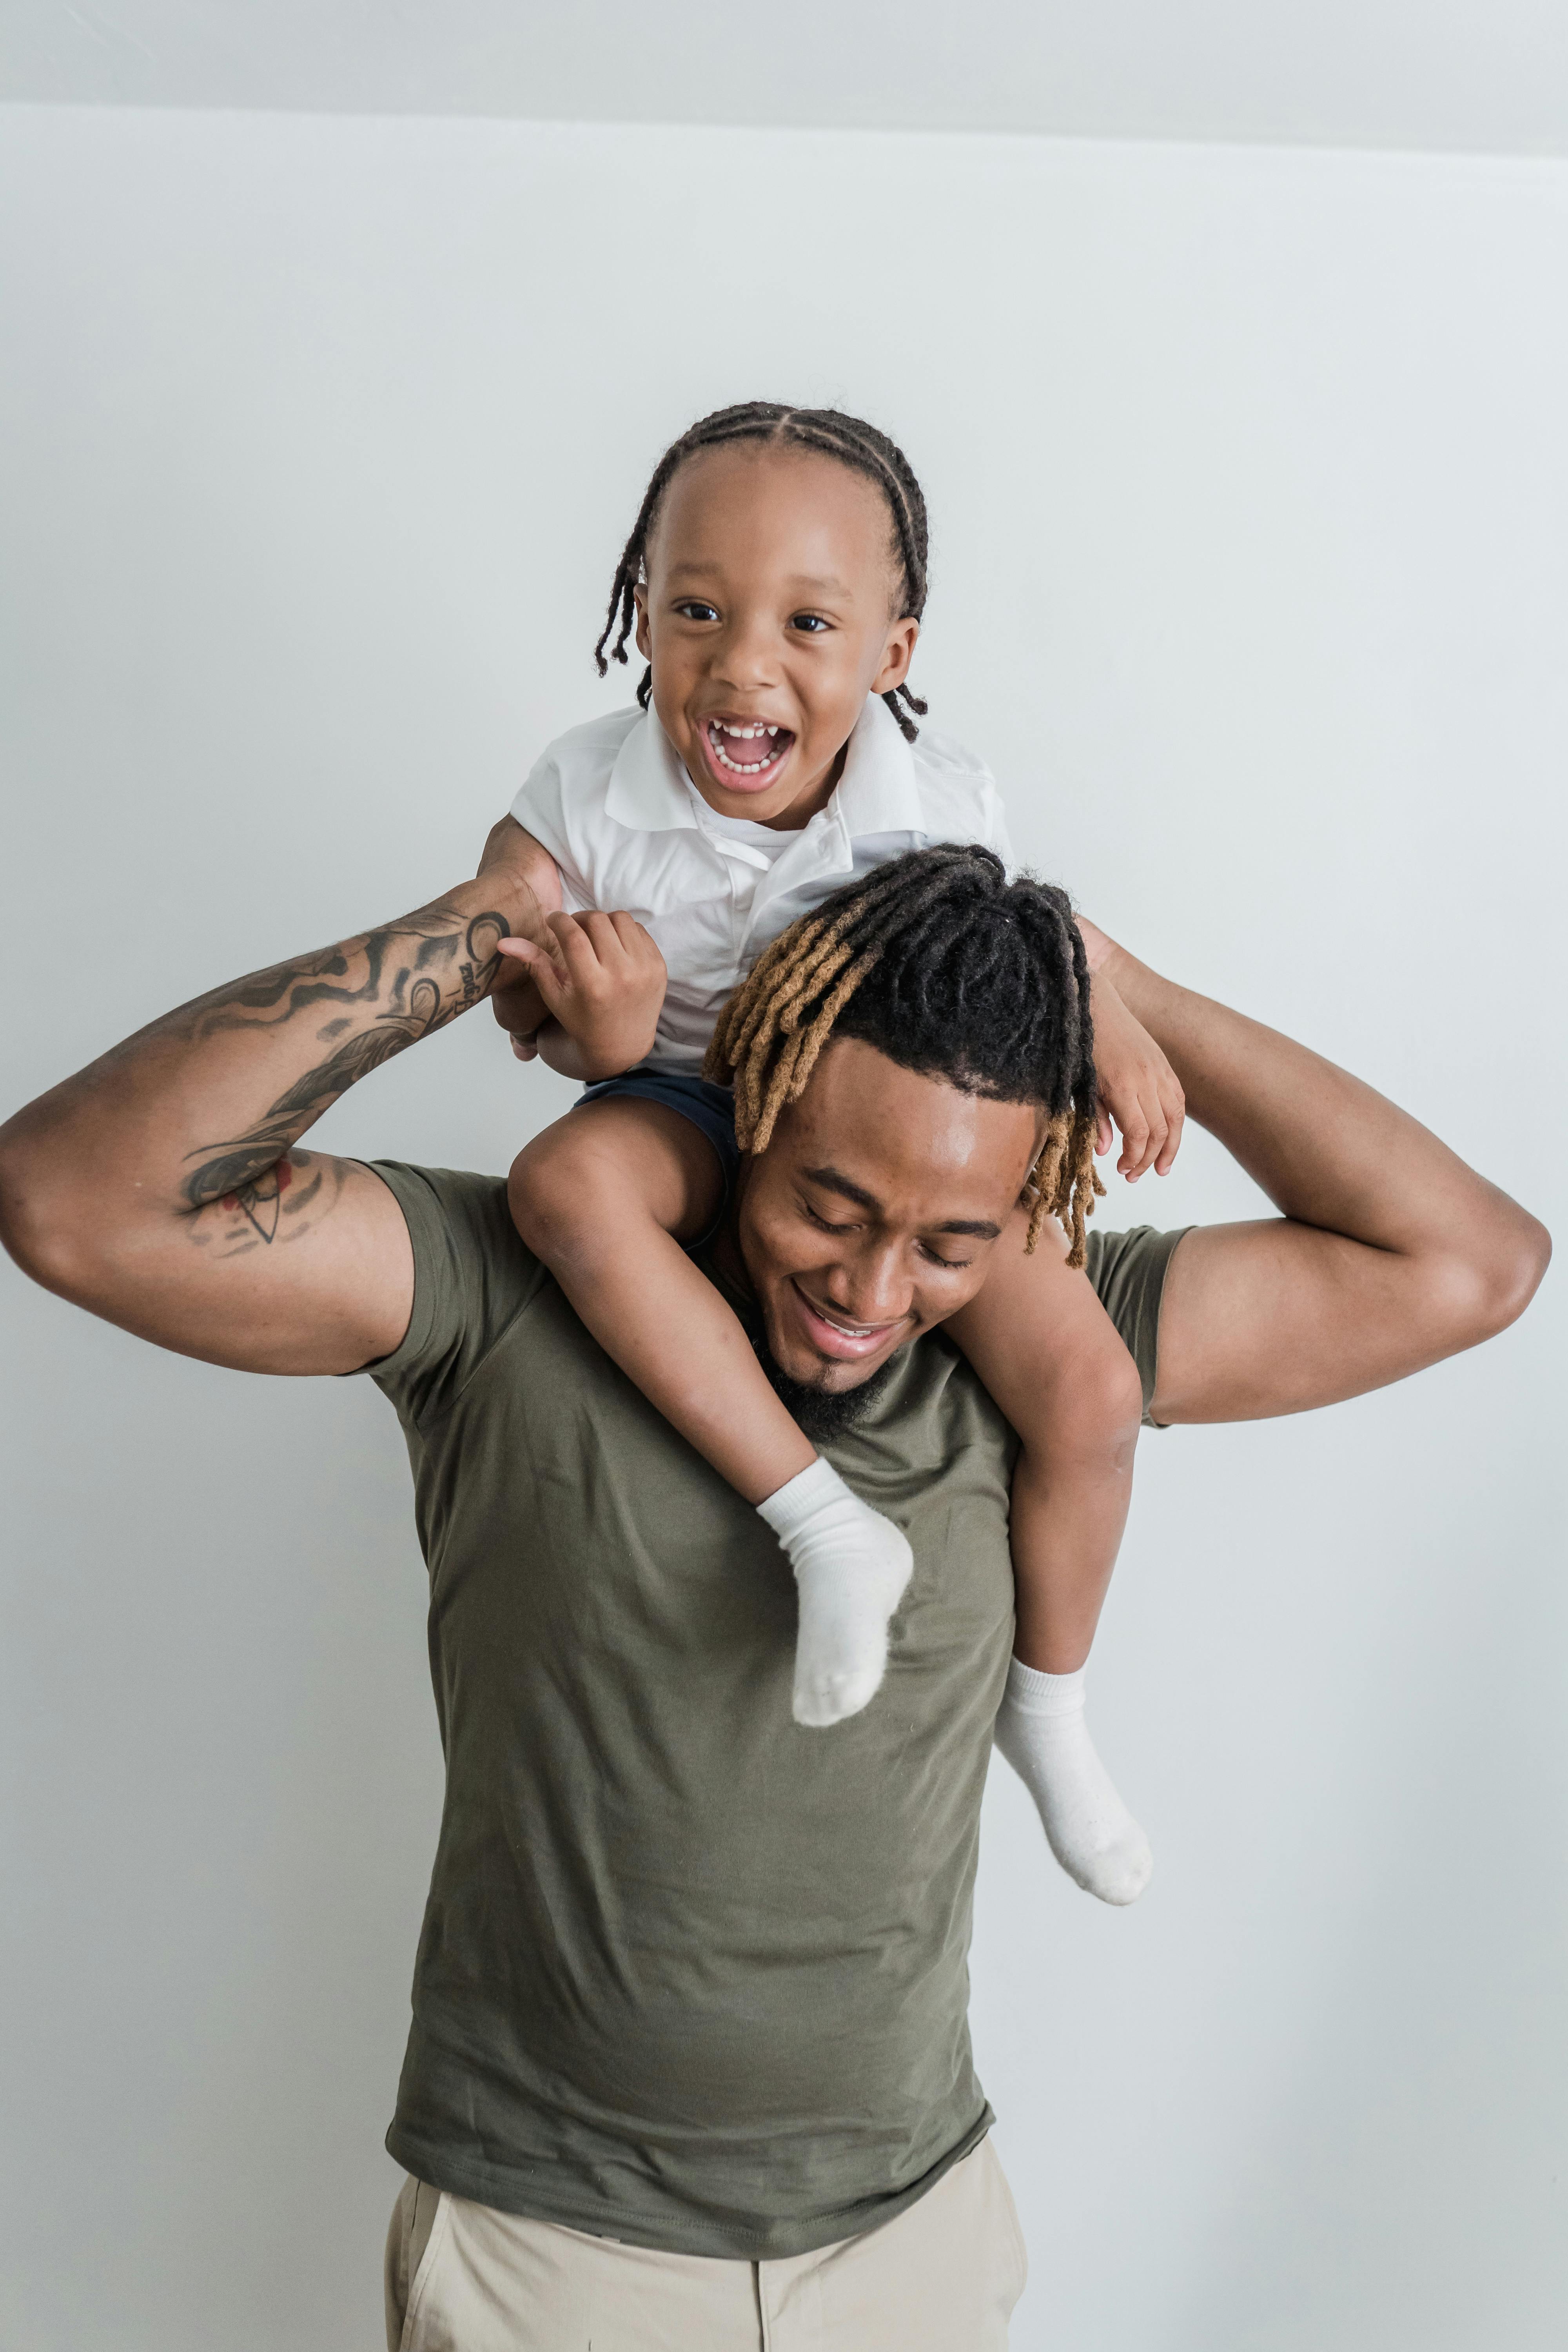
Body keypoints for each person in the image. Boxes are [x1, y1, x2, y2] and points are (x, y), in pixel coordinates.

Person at [0, 832, 1547, 2350]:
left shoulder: (1048, 1354)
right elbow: (75, 1199)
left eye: (950, 1243)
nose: (874, 1293)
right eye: (830, 1205)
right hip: (558, 2263)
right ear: (746, 1103)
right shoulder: (504, 1291)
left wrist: (1108, 981)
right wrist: (491, 928)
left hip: (911, 2254)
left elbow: (1468, 1263)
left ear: (1026, 1211)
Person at [495, 399, 1186, 1907]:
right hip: (688, 1108)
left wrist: (1111, 1025)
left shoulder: (931, 808)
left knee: (1092, 1384)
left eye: (808, 622)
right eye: (695, 610)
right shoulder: (586, 790)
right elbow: (508, 962)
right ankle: (824, 1527)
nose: (743, 665)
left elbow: (1029, 955)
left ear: (892, 653)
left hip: (879, 1156)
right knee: (566, 1187)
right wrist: (588, 1034)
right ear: (642, 614)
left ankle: (1050, 1708)